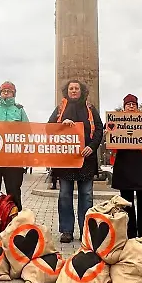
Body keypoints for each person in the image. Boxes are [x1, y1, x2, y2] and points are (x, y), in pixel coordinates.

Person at [48, 79, 103, 243]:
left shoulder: (90, 109)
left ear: (81, 91)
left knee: (86, 196)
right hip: (65, 161)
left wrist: (92, 147)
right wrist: (62, 125)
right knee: (65, 195)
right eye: (71, 88)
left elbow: (99, 129)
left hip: (86, 159)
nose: (73, 91)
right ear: (67, 91)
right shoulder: (60, 109)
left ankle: (86, 230)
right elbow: (48, 128)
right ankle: (66, 230)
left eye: (76, 88)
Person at [0, 81, 29, 230]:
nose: (6, 93)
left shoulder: (20, 111)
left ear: (14, 93)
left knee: (14, 194)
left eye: (9, 91)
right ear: (0, 93)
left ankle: (16, 228)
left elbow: (27, 132)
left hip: (14, 161)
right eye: (4, 91)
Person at [112, 94, 142, 238]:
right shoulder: (117, 122)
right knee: (126, 202)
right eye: (128, 104)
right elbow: (111, 142)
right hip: (124, 165)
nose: (131, 107)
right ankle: (129, 233)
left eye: (133, 105)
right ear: (124, 107)